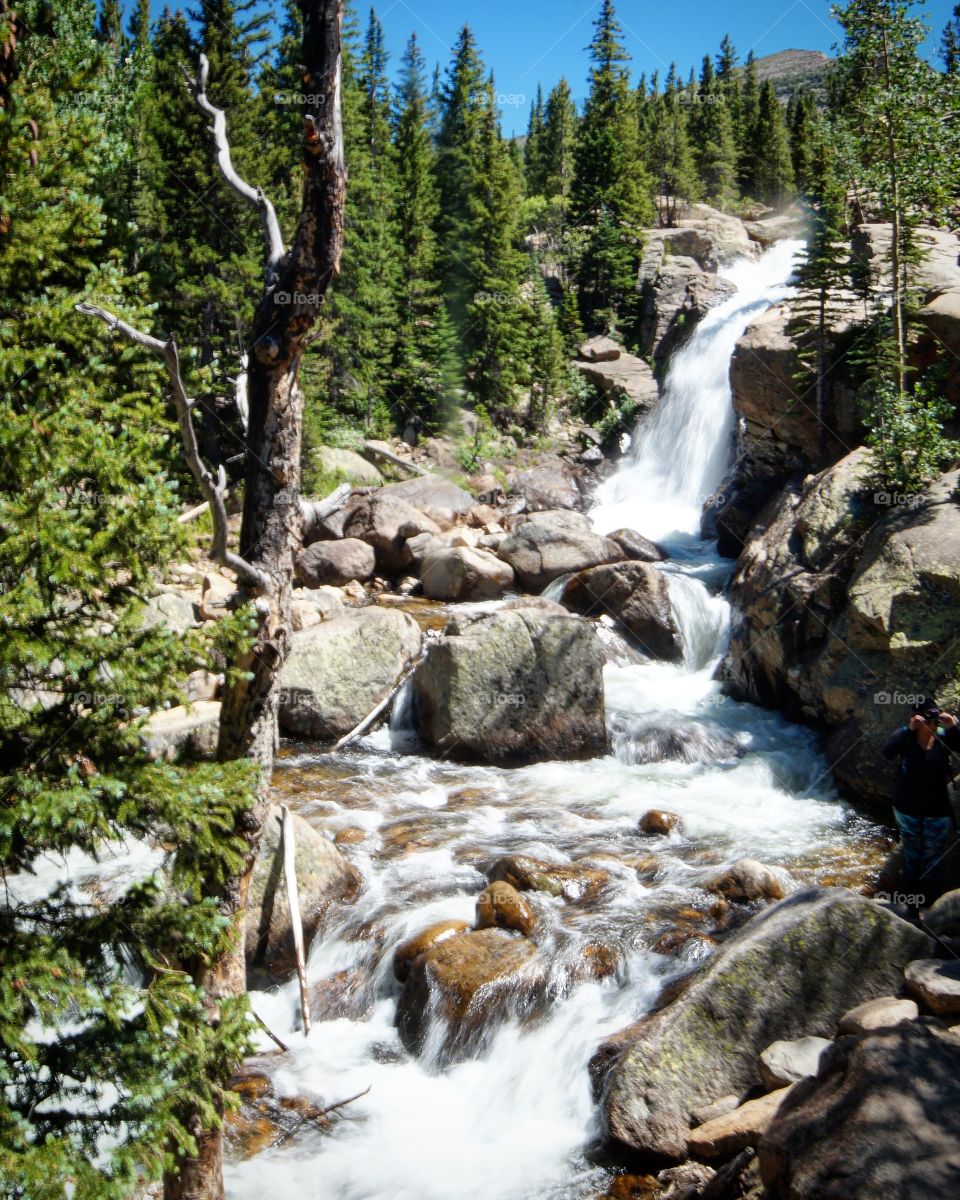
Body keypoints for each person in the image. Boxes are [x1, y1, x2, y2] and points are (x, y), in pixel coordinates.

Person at [882, 698, 960, 912]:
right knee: (912, 856)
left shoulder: (944, 739)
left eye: (934, 718)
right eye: (927, 718)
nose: (931, 724)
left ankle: (931, 909)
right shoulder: (905, 737)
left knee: (933, 858)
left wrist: (952, 727)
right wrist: (909, 729)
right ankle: (912, 908)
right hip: (908, 810)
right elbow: (887, 753)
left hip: (937, 810)